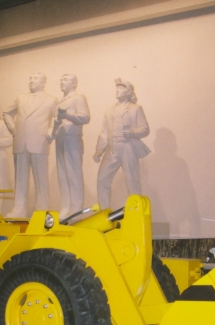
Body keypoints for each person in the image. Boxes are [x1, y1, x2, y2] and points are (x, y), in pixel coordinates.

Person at [3, 73, 58, 217]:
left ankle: (42, 209)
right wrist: (14, 130)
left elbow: (57, 118)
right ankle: (19, 208)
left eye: (35, 79)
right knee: (20, 178)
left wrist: (51, 129)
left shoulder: (51, 100)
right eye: (30, 78)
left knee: (41, 177)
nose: (31, 81)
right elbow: (7, 113)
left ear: (43, 82)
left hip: (39, 142)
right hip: (20, 142)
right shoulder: (20, 98)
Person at [93, 78, 150, 209]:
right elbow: (104, 132)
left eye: (121, 88)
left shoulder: (135, 109)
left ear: (128, 91)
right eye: (117, 87)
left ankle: (136, 211)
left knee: (132, 182)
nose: (117, 90)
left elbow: (145, 128)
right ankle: (104, 212)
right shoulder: (109, 110)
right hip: (111, 149)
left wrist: (134, 132)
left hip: (127, 148)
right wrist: (99, 151)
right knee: (102, 179)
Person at [51, 74, 90, 218]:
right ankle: (66, 205)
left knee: (73, 173)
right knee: (63, 174)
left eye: (65, 80)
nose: (62, 82)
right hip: (60, 138)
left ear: (74, 83)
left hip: (72, 138)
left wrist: (67, 115)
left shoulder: (78, 97)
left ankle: (76, 207)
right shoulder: (61, 100)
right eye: (61, 79)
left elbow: (85, 117)